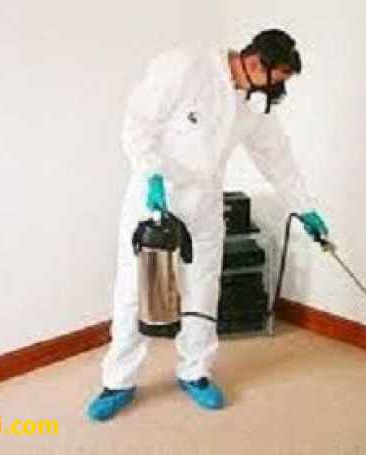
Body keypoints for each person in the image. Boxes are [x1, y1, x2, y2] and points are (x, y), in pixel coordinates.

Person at [87, 29, 329, 422]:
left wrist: (304, 208)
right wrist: (152, 174)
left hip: (204, 205)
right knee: (135, 290)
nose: (279, 89)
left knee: (203, 288)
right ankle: (118, 381)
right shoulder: (186, 66)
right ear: (255, 63)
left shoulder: (252, 104)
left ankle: (195, 372)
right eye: (278, 78)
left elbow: (277, 158)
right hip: (156, 199)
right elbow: (137, 123)